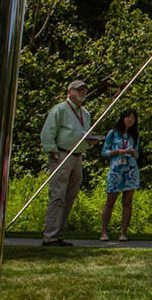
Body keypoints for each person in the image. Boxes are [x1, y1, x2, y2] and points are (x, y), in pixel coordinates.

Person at [39, 80, 98, 246]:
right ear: (70, 91)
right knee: (57, 194)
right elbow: (48, 132)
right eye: (79, 90)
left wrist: (90, 141)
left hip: (78, 156)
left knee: (70, 196)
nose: (82, 93)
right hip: (62, 154)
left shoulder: (85, 114)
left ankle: (58, 234)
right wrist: (53, 152)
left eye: (84, 90)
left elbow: (83, 133)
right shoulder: (60, 110)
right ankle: (50, 235)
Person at [100, 108, 140, 241]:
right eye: (128, 117)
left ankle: (123, 233)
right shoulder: (113, 133)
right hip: (116, 169)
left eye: (133, 118)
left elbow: (137, 153)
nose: (130, 120)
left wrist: (133, 152)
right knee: (110, 201)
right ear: (123, 118)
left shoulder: (135, 135)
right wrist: (116, 151)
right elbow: (104, 152)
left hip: (130, 171)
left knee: (127, 202)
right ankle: (104, 232)